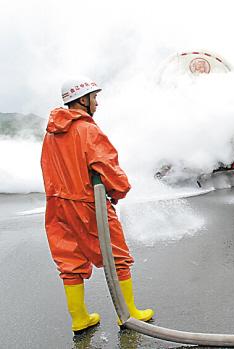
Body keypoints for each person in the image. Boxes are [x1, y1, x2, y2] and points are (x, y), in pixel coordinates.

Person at [41, 77, 154, 334]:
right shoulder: (88, 130)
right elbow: (107, 167)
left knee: (68, 259)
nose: (97, 103)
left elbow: (49, 169)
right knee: (117, 257)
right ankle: (128, 313)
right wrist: (118, 191)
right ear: (83, 100)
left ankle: (80, 318)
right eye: (94, 98)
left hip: (57, 205)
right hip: (88, 204)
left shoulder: (51, 133)